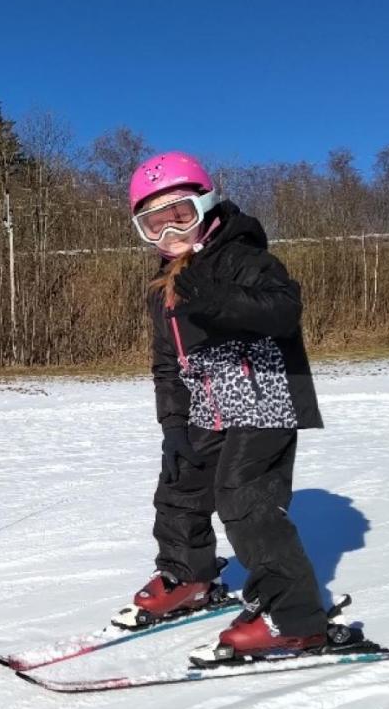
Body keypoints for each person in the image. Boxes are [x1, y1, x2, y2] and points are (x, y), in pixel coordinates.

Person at [119, 151, 337, 658]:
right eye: (154, 222)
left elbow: (284, 310)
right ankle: (187, 575)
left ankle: (295, 617)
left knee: (244, 500)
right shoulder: (162, 286)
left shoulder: (242, 256)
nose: (168, 230)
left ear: (207, 205)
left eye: (180, 214)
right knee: (180, 485)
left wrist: (214, 296)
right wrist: (173, 425)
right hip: (205, 404)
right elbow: (167, 363)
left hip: (262, 396)